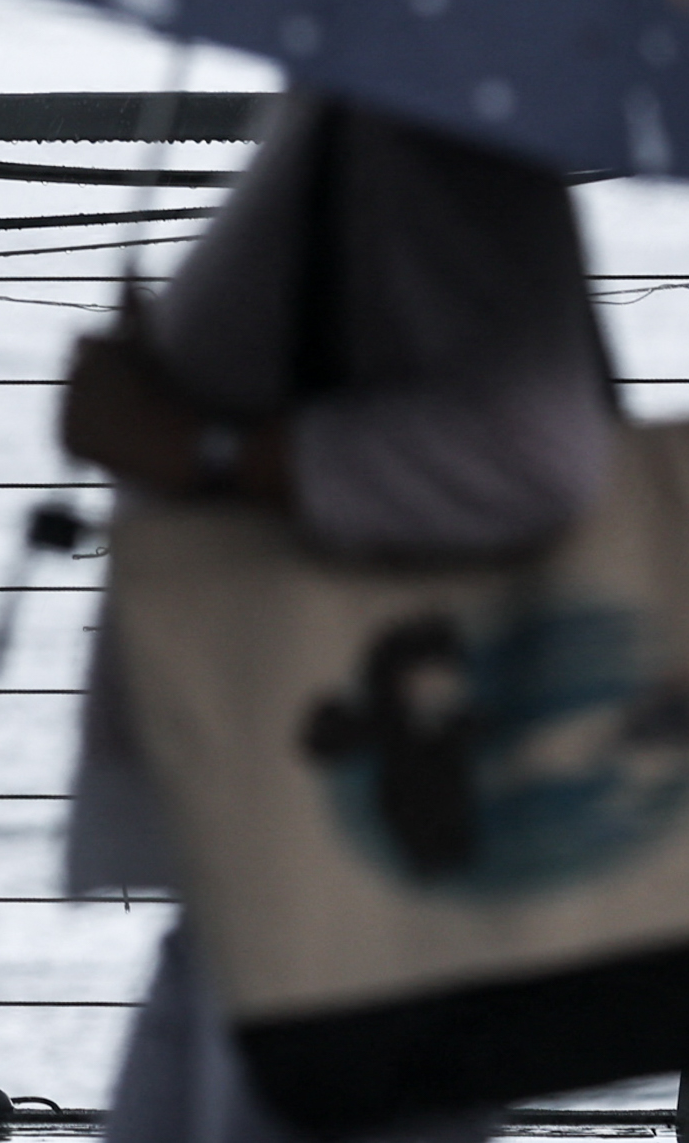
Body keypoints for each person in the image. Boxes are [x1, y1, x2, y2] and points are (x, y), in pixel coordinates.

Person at [59, 90, 616, 1143]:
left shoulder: (419, 131)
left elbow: (528, 455)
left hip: (357, 855)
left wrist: (194, 445)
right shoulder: (364, 119)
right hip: (278, 832)